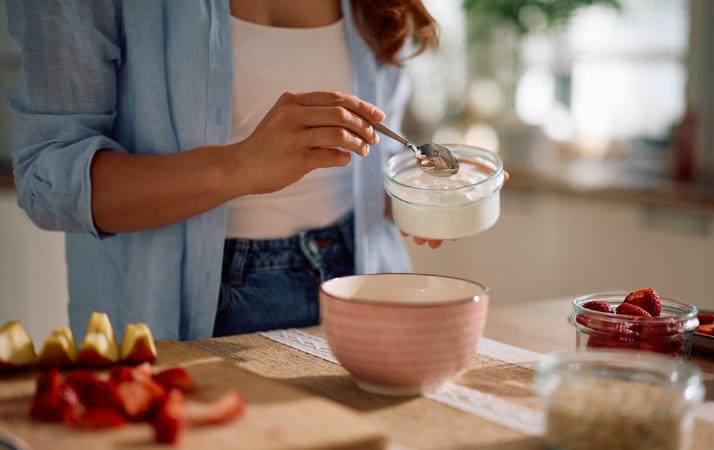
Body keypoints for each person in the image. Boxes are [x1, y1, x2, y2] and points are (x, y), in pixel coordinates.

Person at [7, 0, 439, 341]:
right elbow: (47, 178)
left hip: (365, 290)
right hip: (183, 319)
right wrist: (240, 166)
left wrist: (418, 195)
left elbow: (372, 164)